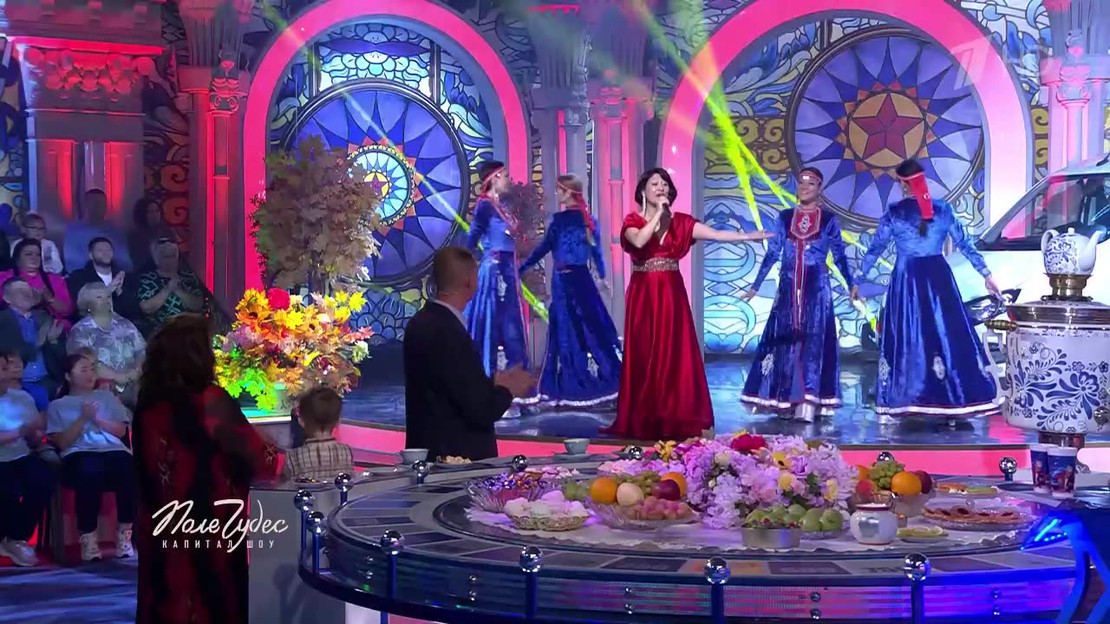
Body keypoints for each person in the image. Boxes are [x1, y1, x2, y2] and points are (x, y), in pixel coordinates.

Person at [604, 168, 773, 441]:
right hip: (643, 295)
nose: (661, 188)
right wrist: (659, 214)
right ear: (643, 191)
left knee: (673, 353)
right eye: (654, 184)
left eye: (664, 184)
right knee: (645, 353)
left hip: (671, 295)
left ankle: (674, 415)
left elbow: (716, 235)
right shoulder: (632, 220)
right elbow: (640, 240)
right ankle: (645, 417)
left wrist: (747, 237)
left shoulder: (682, 222)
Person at [133, 314, 280, 624]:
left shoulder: (147, 403)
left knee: (165, 599)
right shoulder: (211, 402)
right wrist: (269, 444)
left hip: (161, 525)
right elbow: (260, 460)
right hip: (209, 529)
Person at [856, 158, 1002, 419]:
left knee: (909, 334)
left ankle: (910, 397)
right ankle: (949, 396)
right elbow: (965, 244)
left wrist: (858, 279)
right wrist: (986, 274)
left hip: (907, 280)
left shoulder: (895, 213)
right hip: (937, 279)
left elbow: (875, 249)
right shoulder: (943, 209)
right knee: (943, 335)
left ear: (903, 184)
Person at [740, 167, 856, 422]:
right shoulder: (784, 217)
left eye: (811, 183)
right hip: (788, 288)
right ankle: (784, 399)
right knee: (784, 342)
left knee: (813, 342)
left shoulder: (828, 220)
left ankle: (808, 401)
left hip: (817, 289)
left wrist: (851, 285)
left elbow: (839, 256)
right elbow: (773, 253)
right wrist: (755, 285)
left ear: (819, 189)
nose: (804, 187)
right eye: (801, 182)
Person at [404, 246, 535, 460]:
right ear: (468, 282)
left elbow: (452, 389)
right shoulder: (448, 332)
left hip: (430, 455)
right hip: (456, 463)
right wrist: (508, 390)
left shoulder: (419, 323)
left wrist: (492, 384)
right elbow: (479, 410)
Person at [518, 174, 621, 408]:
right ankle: (585, 380)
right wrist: (602, 277)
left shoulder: (570, 222)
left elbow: (543, 249)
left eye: (559, 190)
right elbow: (597, 255)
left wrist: (521, 268)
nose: (557, 194)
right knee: (588, 329)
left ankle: (576, 384)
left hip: (568, 282)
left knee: (570, 332)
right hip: (578, 280)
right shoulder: (584, 221)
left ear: (568, 193)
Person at [47, 350, 136, 561]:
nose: (90, 374)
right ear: (68, 376)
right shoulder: (58, 405)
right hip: (78, 452)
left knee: (129, 468)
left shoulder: (107, 398)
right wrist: (83, 418)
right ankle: (88, 537)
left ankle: (125, 533)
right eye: (83, 369)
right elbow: (62, 442)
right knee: (90, 471)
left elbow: (121, 432)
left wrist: (98, 420)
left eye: (92, 369)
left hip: (112, 449)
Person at [464, 161, 530, 376]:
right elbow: (472, 237)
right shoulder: (484, 206)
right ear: (495, 178)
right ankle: (486, 375)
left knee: (511, 325)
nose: (509, 180)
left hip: (509, 271)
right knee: (492, 323)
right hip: (495, 272)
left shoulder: (501, 206)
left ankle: (515, 377)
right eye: (506, 175)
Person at [0, 350, 53, 567]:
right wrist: (20, 431)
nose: (5, 375)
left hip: (21, 454)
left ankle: (16, 538)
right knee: (8, 489)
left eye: (6, 369)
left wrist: (35, 432)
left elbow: (33, 438)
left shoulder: (23, 398)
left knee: (43, 481)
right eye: (1, 370)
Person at [67, 282, 146, 405]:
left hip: (134, 381)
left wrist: (137, 369)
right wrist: (117, 377)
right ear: (87, 304)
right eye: (99, 297)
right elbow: (84, 363)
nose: (106, 300)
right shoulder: (80, 330)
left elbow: (142, 350)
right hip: (102, 386)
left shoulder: (125, 323)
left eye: (108, 296)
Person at [0, 277, 66, 410]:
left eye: (29, 290)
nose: (27, 293)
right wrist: (39, 342)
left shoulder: (45, 318)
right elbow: (10, 351)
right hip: (16, 383)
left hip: (47, 382)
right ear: (7, 298)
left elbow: (61, 353)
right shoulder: (3, 320)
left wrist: (52, 341)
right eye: (20, 290)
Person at [131, 238, 207, 335]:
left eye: (172, 256)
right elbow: (146, 308)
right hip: (161, 332)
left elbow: (198, 305)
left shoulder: (189, 276)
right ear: (156, 258)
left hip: (189, 329)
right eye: (166, 256)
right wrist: (168, 289)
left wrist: (178, 290)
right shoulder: (147, 278)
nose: (170, 260)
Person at [283, 387, 353, 483]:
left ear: (301, 421)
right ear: (338, 421)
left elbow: (286, 487)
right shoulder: (346, 452)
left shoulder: (293, 457)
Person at [0, 239, 74, 327]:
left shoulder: (54, 280)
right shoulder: (3, 277)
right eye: (28, 254)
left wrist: (50, 299)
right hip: (12, 324)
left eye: (38, 255)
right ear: (17, 258)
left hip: (49, 325)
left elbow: (67, 311)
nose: (34, 258)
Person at [64, 189, 131, 273]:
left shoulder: (115, 230)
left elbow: (125, 261)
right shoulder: (73, 230)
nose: (98, 206)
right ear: (85, 205)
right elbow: (71, 263)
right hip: (83, 275)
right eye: (94, 203)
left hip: (113, 273)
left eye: (102, 203)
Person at [66, 237, 131, 319]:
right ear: (91, 255)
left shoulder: (124, 277)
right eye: (100, 250)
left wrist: (120, 292)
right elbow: (82, 308)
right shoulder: (79, 277)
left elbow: (133, 311)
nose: (106, 253)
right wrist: (109, 289)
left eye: (109, 250)